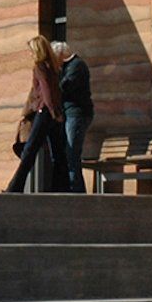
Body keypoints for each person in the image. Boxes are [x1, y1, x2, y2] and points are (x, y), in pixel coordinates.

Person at [5, 34, 71, 192]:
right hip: (53, 113)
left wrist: (54, 112)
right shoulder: (53, 66)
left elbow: (46, 91)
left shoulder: (40, 66)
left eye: (31, 51)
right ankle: (61, 188)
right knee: (58, 153)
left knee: (30, 151)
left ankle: (15, 187)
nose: (30, 54)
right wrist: (57, 113)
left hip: (44, 112)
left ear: (37, 50)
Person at [53, 40, 92, 193]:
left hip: (77, 114)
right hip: (72, 114)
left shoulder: (76, 65)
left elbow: (64, 87)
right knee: (70, 153)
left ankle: (77, 191)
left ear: (60, 55)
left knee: (72, 154)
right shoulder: (70, 66)